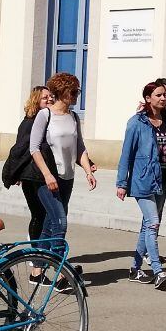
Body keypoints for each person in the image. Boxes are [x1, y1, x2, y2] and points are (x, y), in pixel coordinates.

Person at [117, 80, 166, 289]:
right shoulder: (136, 123)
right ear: (148, 98)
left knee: (147, 225)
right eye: (159, 95)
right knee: (153, 223)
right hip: (142, 181)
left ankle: (135, 268)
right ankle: (158, 271)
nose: (163, 98)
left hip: (164, 180)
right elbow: (126, 154)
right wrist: (122, 183)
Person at [29, 72, 97, 248]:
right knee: (60, 222)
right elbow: (34, 148)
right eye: (73, 92)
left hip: (68, 177)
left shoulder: (73, 117)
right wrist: (47, 175)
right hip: (48, 178)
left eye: (77, 92)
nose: (76, 96)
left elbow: (79, 147)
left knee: (50, 224)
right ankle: (59, 270)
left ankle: (37, 270)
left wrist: (88, 171)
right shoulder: (45, 115)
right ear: (61, 92)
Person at [1, 86, 53, 240]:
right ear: (36, 100)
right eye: (45, 97)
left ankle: (39, 247)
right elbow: (20, 148)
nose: (49, 99)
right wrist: (15, 172)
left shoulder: (46, 119)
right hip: (31, 175)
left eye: (51, 96)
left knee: (43, 213)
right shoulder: (30, 122)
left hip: (40, 173)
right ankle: (34, 250)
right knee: (39, 213)